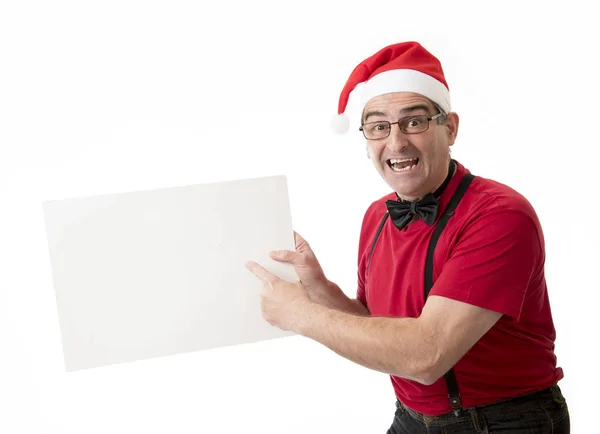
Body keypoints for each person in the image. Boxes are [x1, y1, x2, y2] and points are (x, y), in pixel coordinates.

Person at [245, 41, 569, 433]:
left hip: (504, 422)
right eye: (379, 126)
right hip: (412, 418)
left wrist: (299, 314)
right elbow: (374, 326)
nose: (396, 142)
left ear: (449, 128)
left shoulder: (500, 215)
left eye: (414, 121)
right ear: (367, 142)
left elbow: (427, 354)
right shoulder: (377, 216)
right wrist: (318, 287)